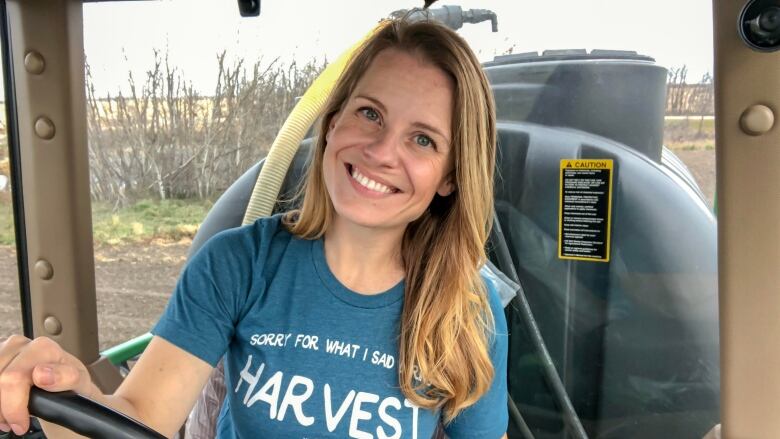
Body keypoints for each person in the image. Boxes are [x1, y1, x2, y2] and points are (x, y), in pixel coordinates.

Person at [0, 18, 507, 439]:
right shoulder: (238, 264)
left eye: (422, 140)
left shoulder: (469, 308)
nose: (381, 152)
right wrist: (68, 393)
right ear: (332, 123)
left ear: (450, 176)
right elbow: (140, 418)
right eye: (370, 113)